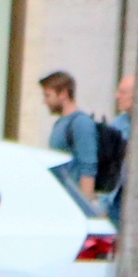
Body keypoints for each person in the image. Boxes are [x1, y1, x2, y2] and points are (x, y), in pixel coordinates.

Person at [43, 71, 101, 201]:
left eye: (48, 96)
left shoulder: (81, 123)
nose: (45, 101)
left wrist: (86, 207)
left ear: (63, 94)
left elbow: (88, 167)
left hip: (73, 199)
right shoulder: (61, 123)